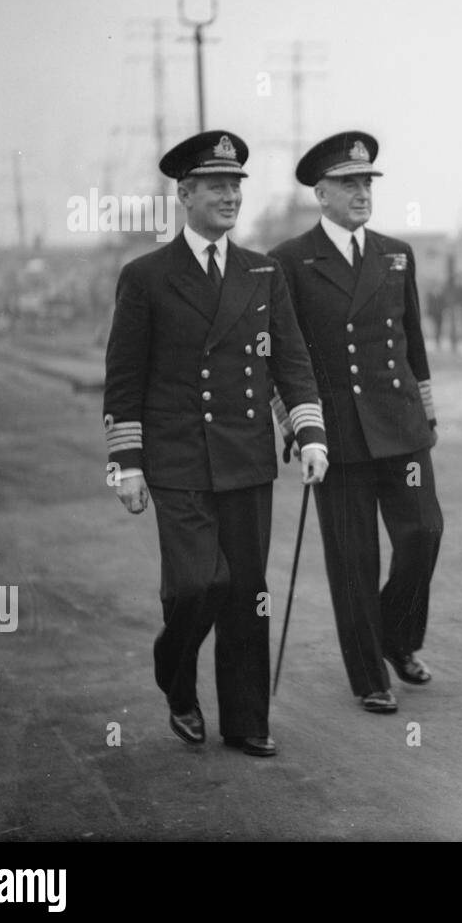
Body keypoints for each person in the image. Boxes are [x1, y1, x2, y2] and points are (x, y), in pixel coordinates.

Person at [103, 130, 329, 757]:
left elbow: (291, 362)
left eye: (235, 185)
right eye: (216, 186)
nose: (230, 196)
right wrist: (125, 464)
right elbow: (124, 378)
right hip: (177, 461)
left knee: (248, 592)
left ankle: (248, 719)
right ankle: (177, 679)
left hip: (245, 459)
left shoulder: (263, 271)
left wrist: (308, 432)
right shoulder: (146, 277)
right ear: (185, 194)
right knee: (198, 585)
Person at [270, 131, 443, 715]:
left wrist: (428, 408)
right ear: (321, 194)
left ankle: (396, 636)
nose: (362, 192)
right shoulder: (290, 262)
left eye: (367, 181)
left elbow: (412, 341)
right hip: (337, 433)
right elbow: (281, 358)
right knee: (353, 557)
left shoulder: (396, 253)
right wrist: (297, 427)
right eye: (349, 184)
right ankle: (370, 673)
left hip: (401, 426)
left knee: (424, 534)